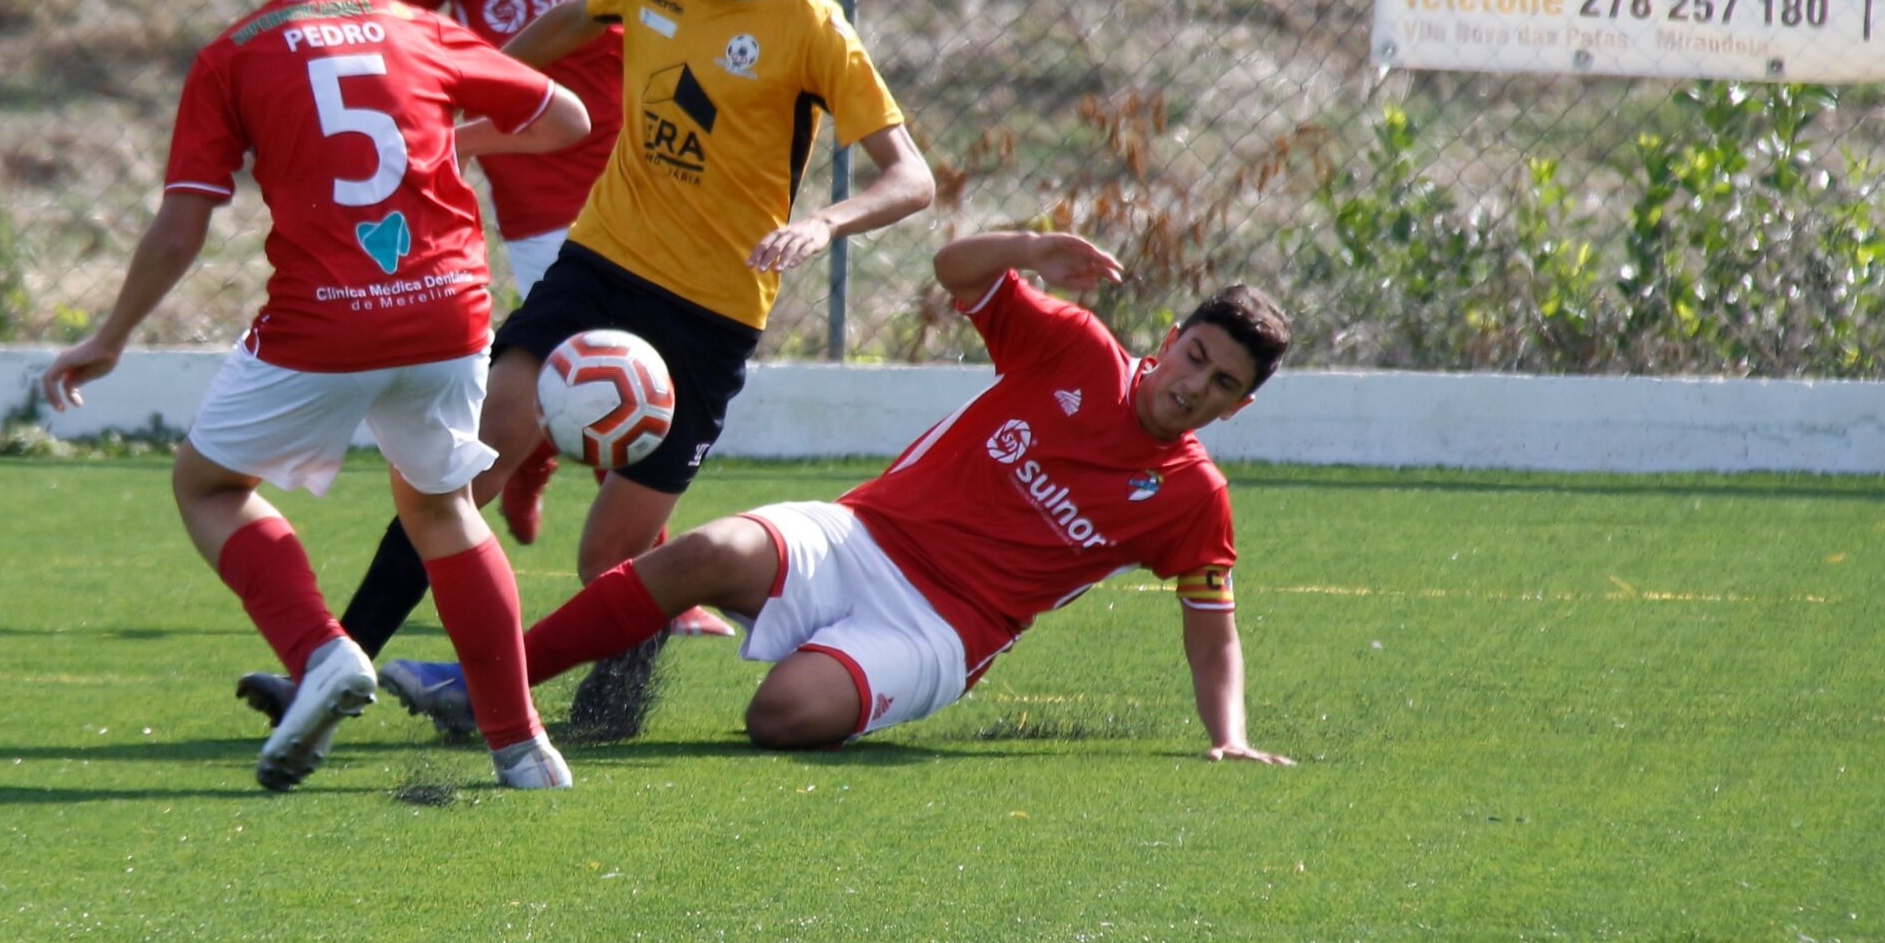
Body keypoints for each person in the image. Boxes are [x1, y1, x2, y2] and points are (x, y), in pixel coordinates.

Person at [344, 0, 933, 741]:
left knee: (611, 553)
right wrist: (467, 97)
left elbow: (913, 178)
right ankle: (340, 659)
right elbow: (566, 23)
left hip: (711, 312)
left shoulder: (814, 28)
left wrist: (824, 222)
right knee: (472, 455)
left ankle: (606, 714)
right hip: (603, 264)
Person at [37, 0, 591, 793]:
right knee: (442, 506)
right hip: (448, 313)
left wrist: (111, 335)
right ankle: (522, 747)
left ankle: (321, 649)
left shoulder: (236, 53)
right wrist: (448, 137)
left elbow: (181, 226)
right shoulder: (420, 31)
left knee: (208, 484)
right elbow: (568, 119)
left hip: (324, 322)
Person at [383, 229, 1296, 762]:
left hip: (939, 630)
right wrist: (1033, 245)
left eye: (1220, 385)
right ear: (1173, 337)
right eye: (1196, 357)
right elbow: (954, 268)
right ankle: (482, 689)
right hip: (859, 533)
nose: (1193, 385)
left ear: (1240, 405)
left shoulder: (1190, 497)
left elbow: (1212, 628)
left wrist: (1230, 735)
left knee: (780, 717)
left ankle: (814, 665)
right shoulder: (1077, 349)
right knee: (701, 553)